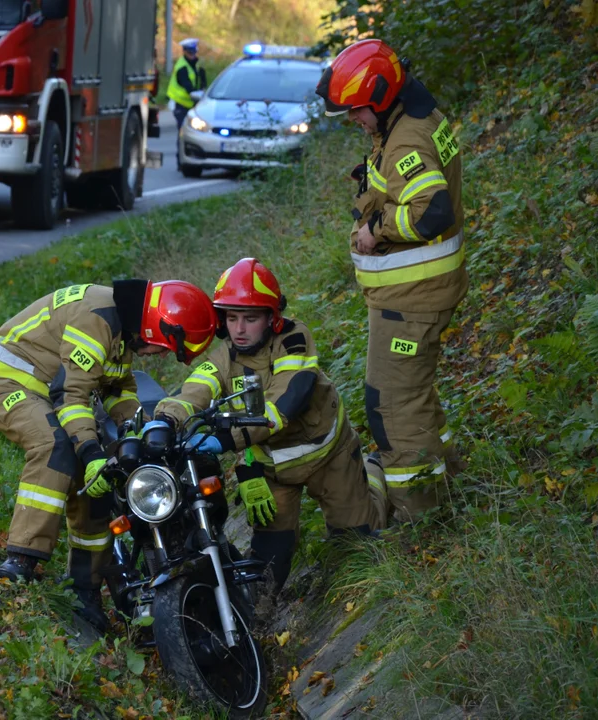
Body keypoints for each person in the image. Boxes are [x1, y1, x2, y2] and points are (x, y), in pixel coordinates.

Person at [0, 280, 217, 631]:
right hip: (6, 381)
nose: (163, 355)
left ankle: (83, 587)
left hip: (46, 388)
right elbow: (71, 398)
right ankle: (21, 558)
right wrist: (90, 453)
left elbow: (118, 389)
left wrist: (136, 434)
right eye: (165, 347)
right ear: (157, 326)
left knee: (100, 478)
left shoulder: (121, 329)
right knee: (56, 448)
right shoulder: (98, 319)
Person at [154, 259, 387, 594]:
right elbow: (193, 391)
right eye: (232, 318)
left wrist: (225, 440)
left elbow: (283, 405)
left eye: (250, 318)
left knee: (356, 544)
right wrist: (165, 421)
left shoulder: (294, 339)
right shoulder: (224, 357)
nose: (240, 329)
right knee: (268, 563)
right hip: (274, 468)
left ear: (271, 318)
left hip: (328, 455)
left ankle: (373, 471)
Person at [315, 39, 466, 520]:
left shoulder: (406, 139)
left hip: (412, 299)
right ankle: (449, 484)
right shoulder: (412, 120)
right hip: (418, 294)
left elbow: (433, 210)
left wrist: (375, 230)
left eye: (356, 110)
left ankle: (420, 517)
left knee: (392, 404)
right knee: (415, 394)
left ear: (379, 98)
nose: (353, 120)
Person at [168, 38, 208, 160]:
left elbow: (203, 83)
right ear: (184, 51)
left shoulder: (197, 65)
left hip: (193, 104)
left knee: (197, 132)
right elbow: (188, 87)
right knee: (183, 132)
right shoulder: (182, 67)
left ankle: (197, 156)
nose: (192, 54)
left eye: (194, 52)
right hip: (180, 104)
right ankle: (181, 160)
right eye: (189, 52)